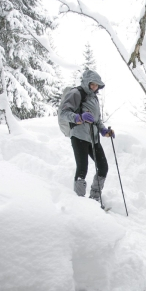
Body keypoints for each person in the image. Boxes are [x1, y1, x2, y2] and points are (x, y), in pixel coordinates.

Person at [58, 69, 114, 203]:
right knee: (82, 168)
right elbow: (63, 113)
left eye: (97, 85)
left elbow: (97, 120)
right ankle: (80, 203)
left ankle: (94, 198)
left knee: (103, 167)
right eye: (92, 84)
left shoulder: (94, 98)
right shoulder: (76, 93)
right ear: (87, 82)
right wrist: (79, 117)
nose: (94, 87)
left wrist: (104, 131)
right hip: (79, 136)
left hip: (93, 138)